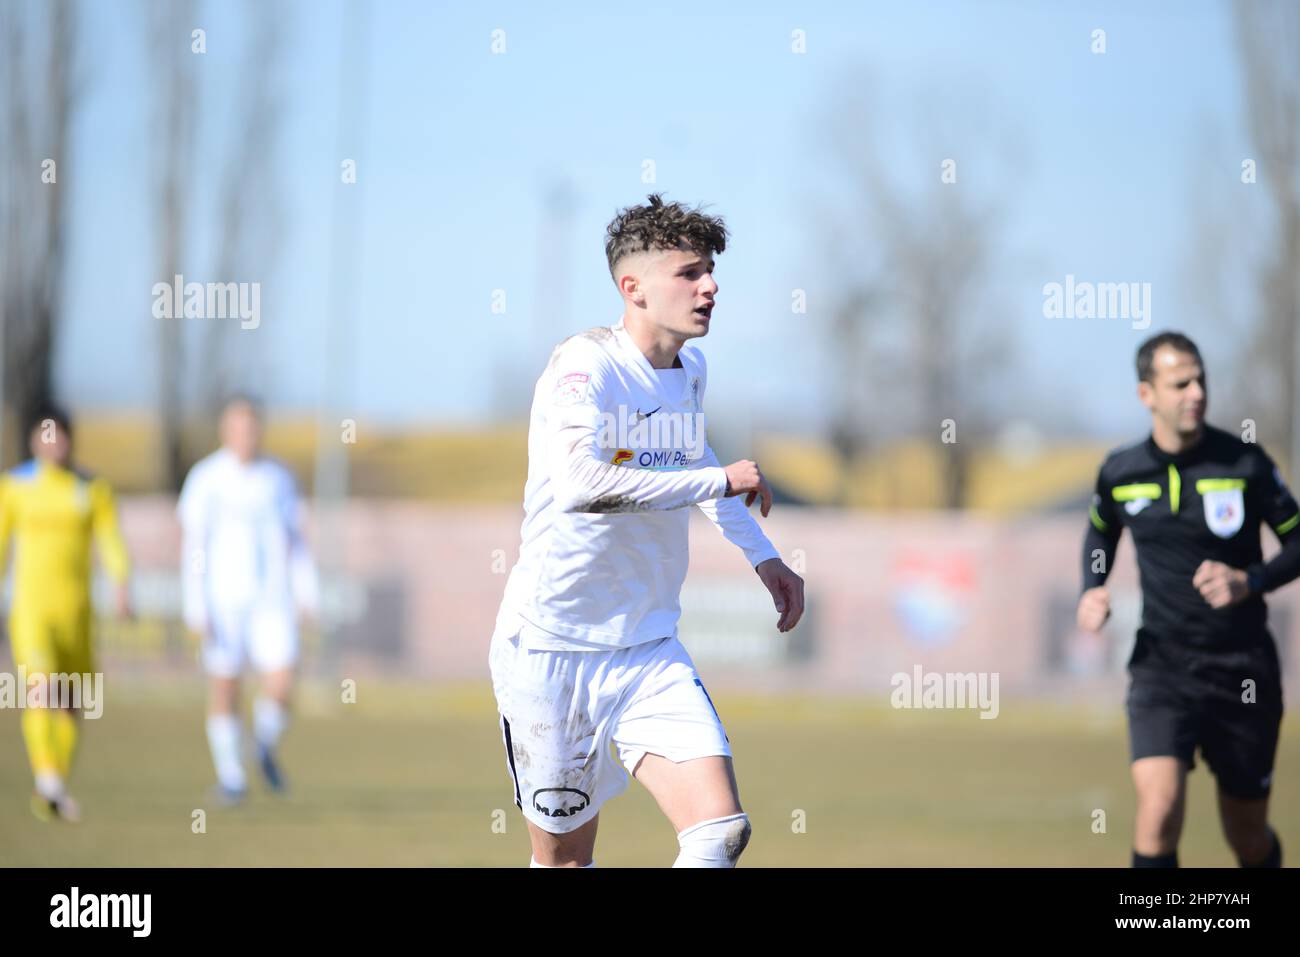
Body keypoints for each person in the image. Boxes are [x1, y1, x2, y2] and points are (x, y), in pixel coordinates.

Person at [489, 194, 806, 867]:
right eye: (690, 272)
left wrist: (764, 557)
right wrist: (719, 481)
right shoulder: (584, 370)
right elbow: (581, 484)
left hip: (647, 648)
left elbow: (694, 463)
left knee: (718, 831)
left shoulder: (688, 371)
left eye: (711, 270)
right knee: (567, 860)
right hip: (553, 649)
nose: (710, 285)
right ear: (632, 288)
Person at [1078, 331, 1300, 867]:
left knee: (1246, 836)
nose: (1196, 392)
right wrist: (1093, 587)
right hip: (1163, 669)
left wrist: (1250, 580)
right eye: (1180, 383)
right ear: (1146, 395)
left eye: (1201, 379)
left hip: (1242, 671)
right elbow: (1100, 533)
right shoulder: (1121, 471)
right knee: (1159, 810)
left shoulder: (1243, 463)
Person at [177, 395, 318, 804]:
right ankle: (232, 776)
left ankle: (262, 747)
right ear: (225, 430)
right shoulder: (206, 478)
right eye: (237, 427)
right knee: (225, 685)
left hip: (271, 600)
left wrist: (306, 591)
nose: (245, 435)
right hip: (223, 600)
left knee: (282, 683)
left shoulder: (278, 478)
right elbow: (194, 545)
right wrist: (195, 604)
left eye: (251, 427)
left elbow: (296, 540)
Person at [0, 403, 133, 821]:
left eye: (59, 434)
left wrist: (122, 583)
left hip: (77, 615)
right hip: (32, 611)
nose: (52, 442)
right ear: (33, 440)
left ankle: (52, 788)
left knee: (75, 703)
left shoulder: (91, 489)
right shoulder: (15, 486)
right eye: (44, 434)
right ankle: (49, 782)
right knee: (40, 690)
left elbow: (111, 540)